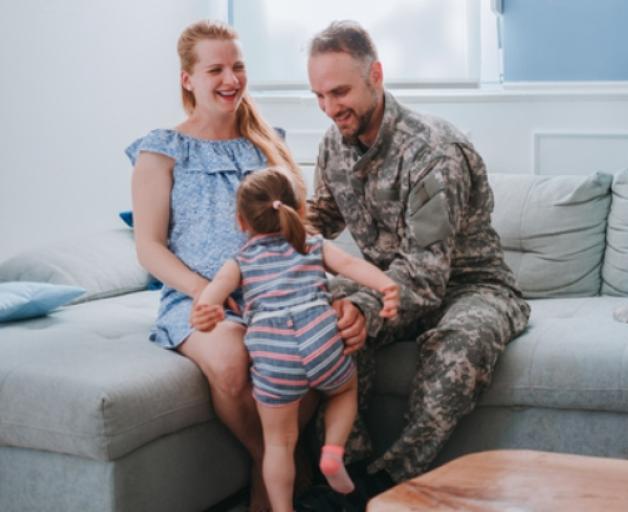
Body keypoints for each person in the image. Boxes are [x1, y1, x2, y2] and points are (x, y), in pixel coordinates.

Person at [127, 19, 365, 511]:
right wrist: (208, 292)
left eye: (238, 66)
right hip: (200, 298)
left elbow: (299, 235)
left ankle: (272, 484)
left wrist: (336, 296)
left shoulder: (268, 145)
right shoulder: (161, 151)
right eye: (215, 68)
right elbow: (149, 247)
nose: (230, 78)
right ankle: (277, 468)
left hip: (277, 291)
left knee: (320, 346)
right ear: (187, 79)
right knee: (235, 363)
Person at [304, 20, 532, 493]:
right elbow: (322, 217)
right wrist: (270, 241)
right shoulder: (334, 144)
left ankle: (390, 481)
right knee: (319, 314)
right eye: (319, 95)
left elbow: (427, 278)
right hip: (390, 283)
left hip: (470, 286)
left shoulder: (433, 151)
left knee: (462, 341)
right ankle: (346, 473)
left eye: (340, 92)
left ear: (377, 75)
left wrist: (364, 306)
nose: (329, 108)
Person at [190, 168, 400, 512]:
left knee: (278, 444)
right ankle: (333, 453)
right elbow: (349, 265)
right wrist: (386, 286)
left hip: (274, 354)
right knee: (344, 390)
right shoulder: (312, 244)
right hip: (320, 338)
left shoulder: (240, 260)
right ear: (298, 210)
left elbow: (210, 297)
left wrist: (204, 312)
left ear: (241, 221)